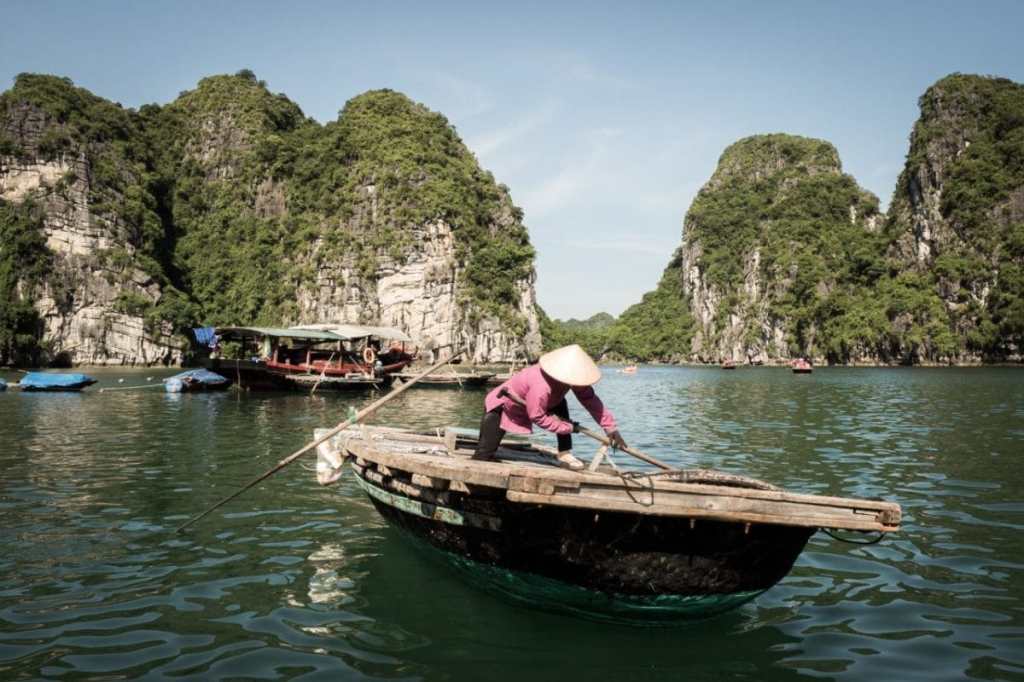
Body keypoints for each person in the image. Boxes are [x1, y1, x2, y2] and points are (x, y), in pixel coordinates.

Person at [473, 344, 627, 471]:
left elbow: (590, 399)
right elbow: (537, 416)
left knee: (561, 403)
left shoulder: (572, 378)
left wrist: (610, 427)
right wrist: (567, 428)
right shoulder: (541, 386)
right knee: (484, 455)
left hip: (542, 404)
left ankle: (564, 452)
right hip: (503, 406)